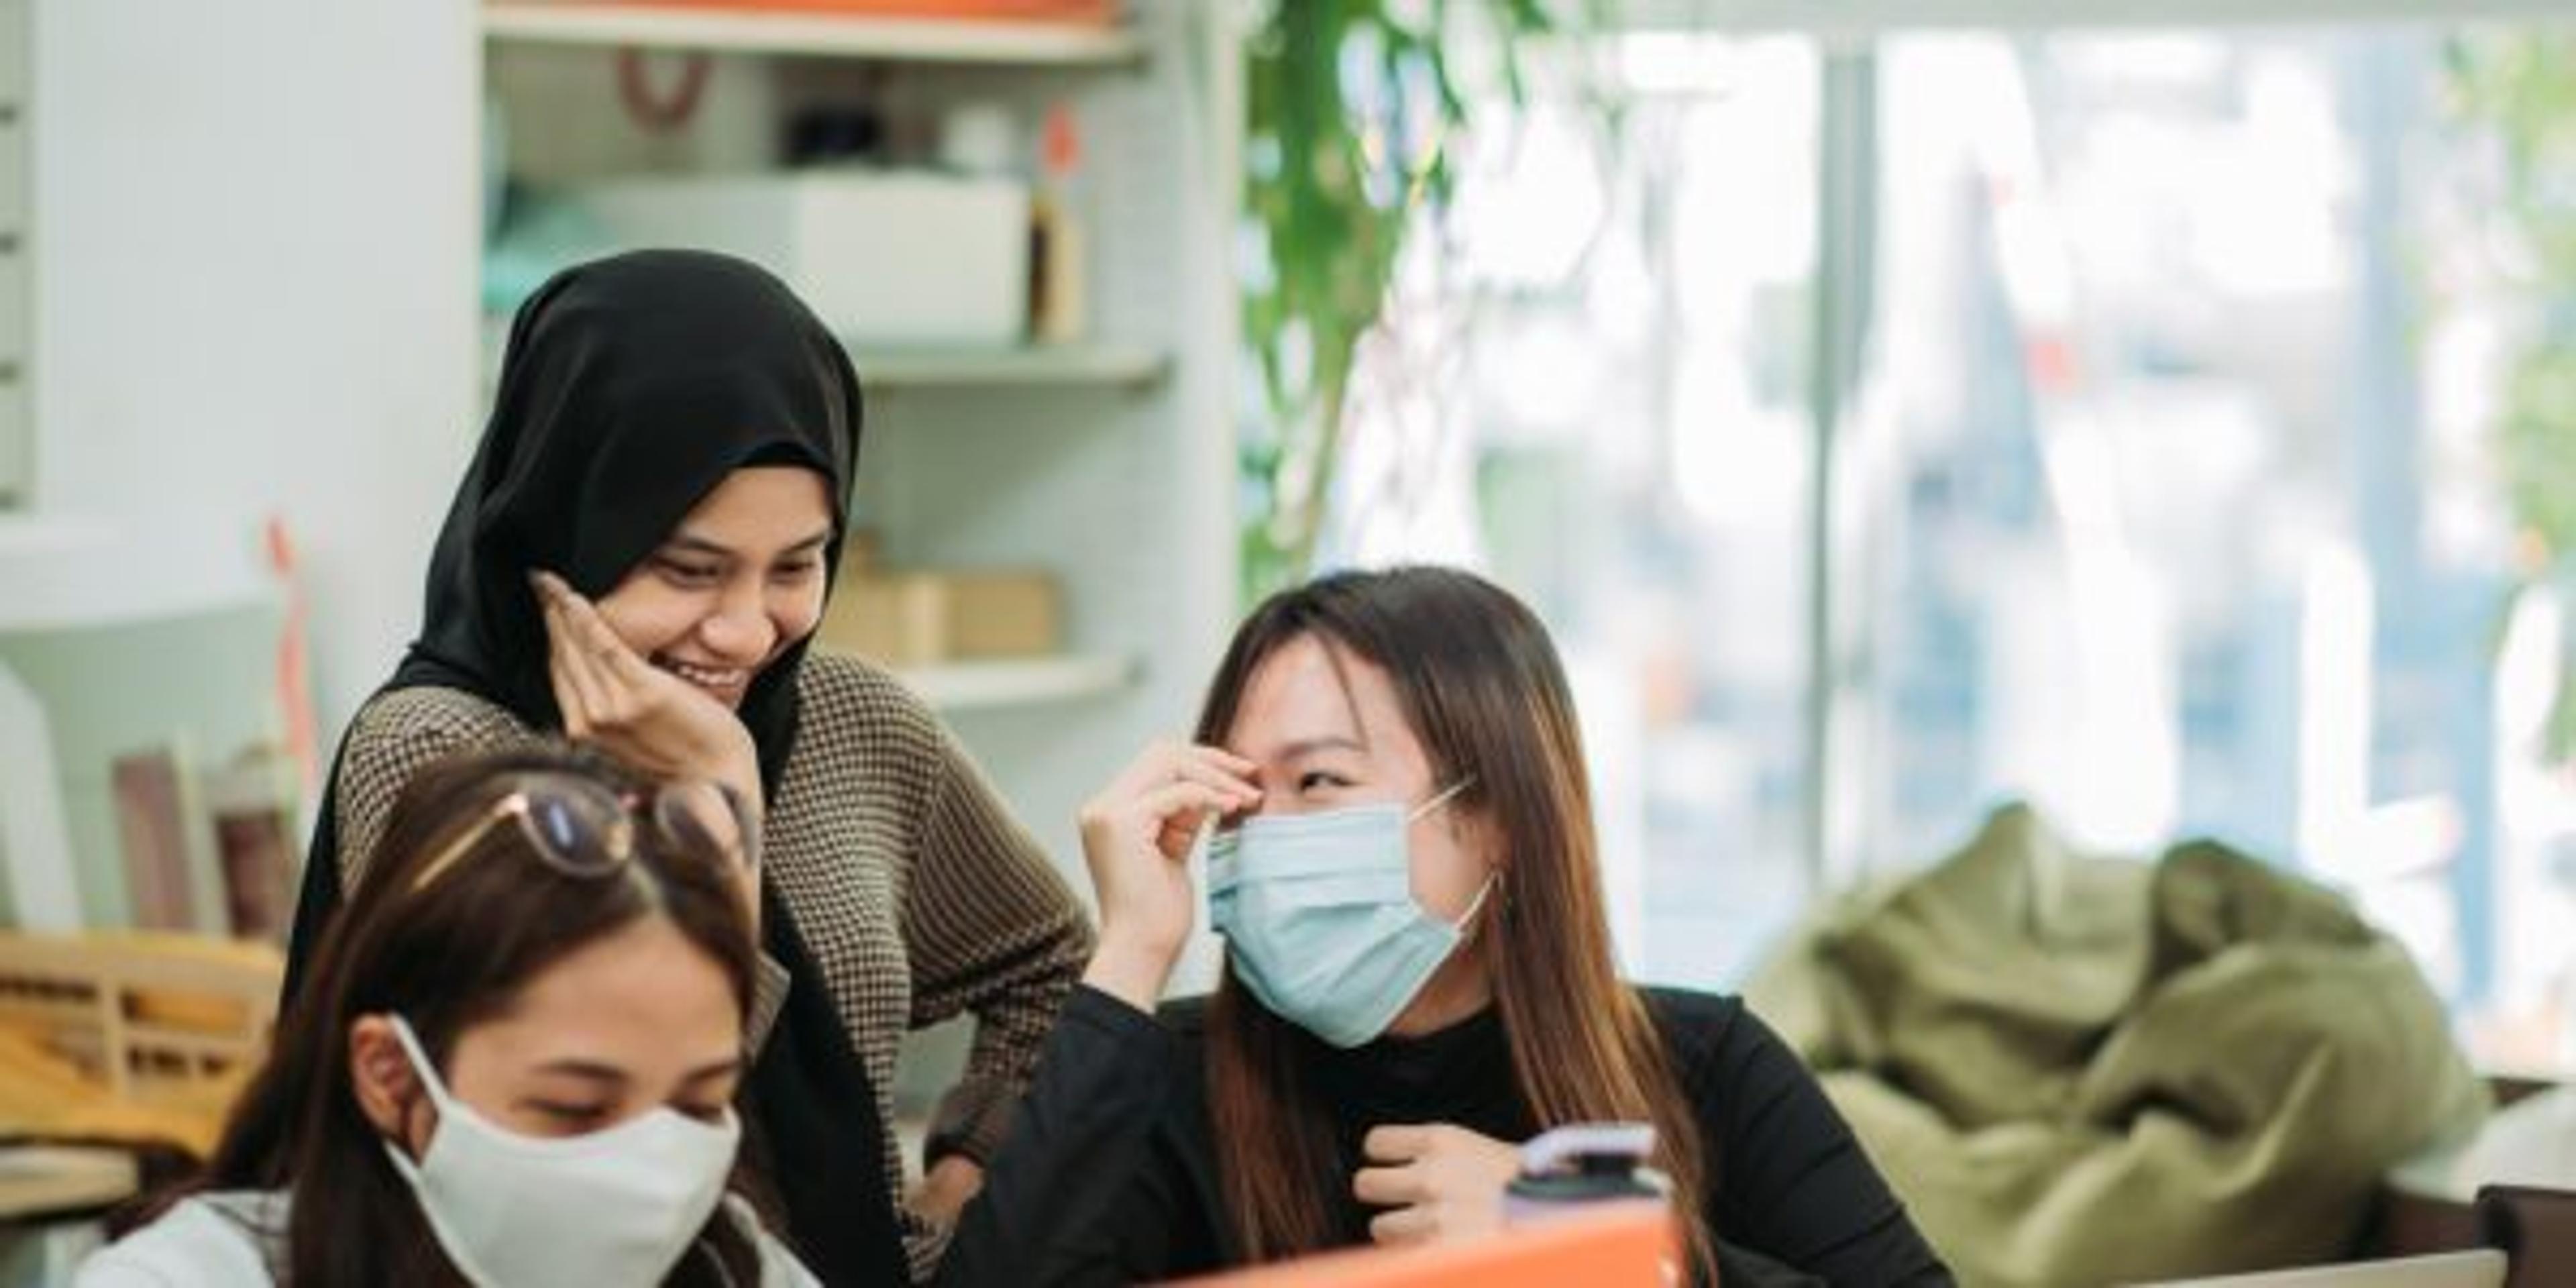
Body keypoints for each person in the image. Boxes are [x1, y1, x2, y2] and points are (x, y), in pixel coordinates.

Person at [280, 250, 1091, 1284]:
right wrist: (719, 819)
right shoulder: (444, 755)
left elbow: (1050, 965)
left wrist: (965, 1180)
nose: (749, 632)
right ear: (559, 528)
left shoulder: (859, 722)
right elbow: (608, 1106)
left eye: (798, 566)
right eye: (689, 570)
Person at [995, 565, 1953, 1285]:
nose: (1267, 834)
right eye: (1240, 798)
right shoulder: (1163, 1082)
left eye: (1321, 781)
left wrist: (1608, 1251)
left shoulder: (1707, 1067)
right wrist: (1128, 954)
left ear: (1495, 815)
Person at [83, 748, 819, 1287]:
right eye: (575, 1109)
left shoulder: (735, 1266)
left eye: (698, 1106)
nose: (653, 1175)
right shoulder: (186, 1279)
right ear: (391, 1075)